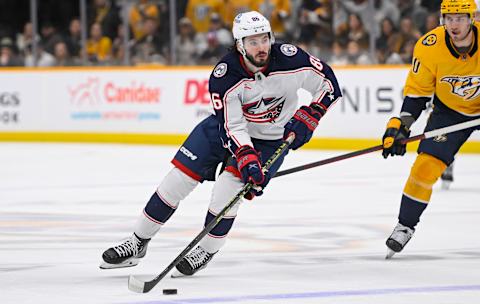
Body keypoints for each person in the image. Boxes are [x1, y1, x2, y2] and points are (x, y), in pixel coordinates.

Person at [100, 11, 342, 276]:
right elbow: (232, 125)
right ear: (240, 45)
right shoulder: (224, 75)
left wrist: (312, 115)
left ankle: (206, 249)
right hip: (223, 130)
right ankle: (137, 242)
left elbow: (328, 82)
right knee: (177, 180)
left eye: (264, 39)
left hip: (270, 141)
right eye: (252, 42)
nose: (261, 47)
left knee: (228, 190)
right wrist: (246, 156)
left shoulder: (291, 58)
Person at [381, 0, 480, 259]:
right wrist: (400, 126)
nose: (453, 24)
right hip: (449, 113)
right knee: (424, 167)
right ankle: (405, 226)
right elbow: (417, 94)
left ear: (472, 18)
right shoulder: (429, 47)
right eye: (449, 18)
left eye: (459, 18)